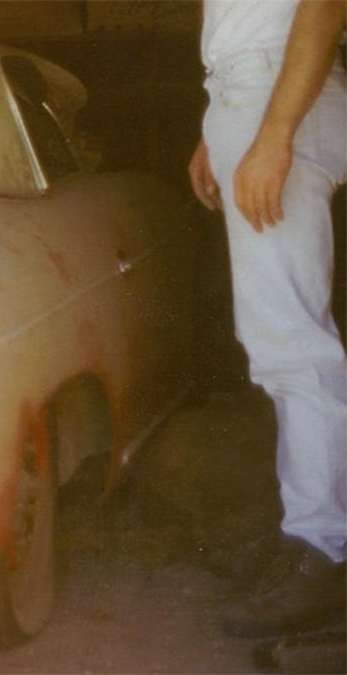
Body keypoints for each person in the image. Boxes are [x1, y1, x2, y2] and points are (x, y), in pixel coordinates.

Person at [188, 0, 346, 638]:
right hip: (250, 94)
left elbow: (324, 7)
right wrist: (214, 128)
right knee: (281, 336)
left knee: (291, 344)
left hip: (274, 97)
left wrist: (272, 133)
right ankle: (309, 533)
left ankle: (321, 548)